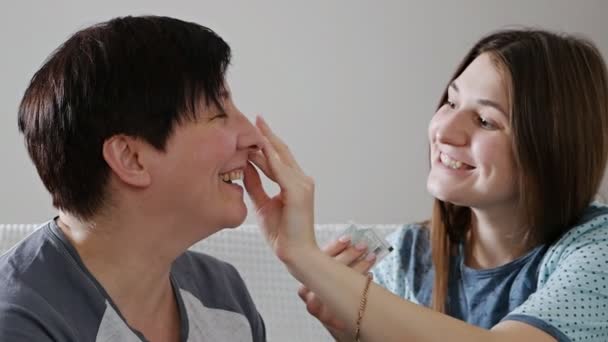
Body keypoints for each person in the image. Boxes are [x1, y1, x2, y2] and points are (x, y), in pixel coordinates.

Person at [244, 29, 608, 341]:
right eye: (451, 101)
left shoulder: (596, 252)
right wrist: (353, 329)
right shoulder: (406, 256)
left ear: (554, 147)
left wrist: (306, 258)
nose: (444, 131)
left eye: (484, 120)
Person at [0, 16, 266, 341]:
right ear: (130, 158)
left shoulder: (224, 296)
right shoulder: (19, 321)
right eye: (218, 112)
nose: (253, 137)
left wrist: (310, 265)